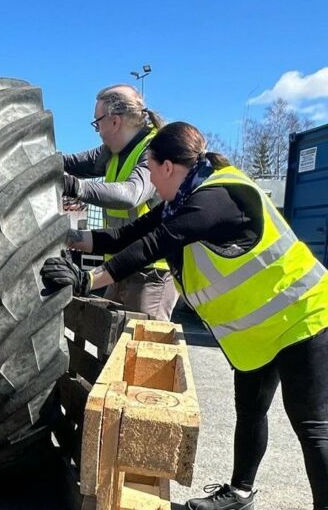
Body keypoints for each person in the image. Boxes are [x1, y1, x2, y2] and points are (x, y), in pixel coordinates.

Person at [41, 121, 328, 510]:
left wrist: (87, 280)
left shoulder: (217, 198)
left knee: (311, 428)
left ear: (168, 167)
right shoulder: (183, 200)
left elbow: (155, 244)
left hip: (304, 317)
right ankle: (240, 495)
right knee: (251, 412)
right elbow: (127, 236)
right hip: (260, 330)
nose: (151, 182)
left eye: (151, 169)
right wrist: (65, 240)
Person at [61, 84, 177, 319]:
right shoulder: (111, 152)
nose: (98, 130)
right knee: (112, 345)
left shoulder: (154, 151)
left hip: (151, 273)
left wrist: (76, 187)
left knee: (142, 346)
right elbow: (68, 162)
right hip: (120, 266)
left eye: (98, 122)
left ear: (114, 122)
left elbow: (131, 194)